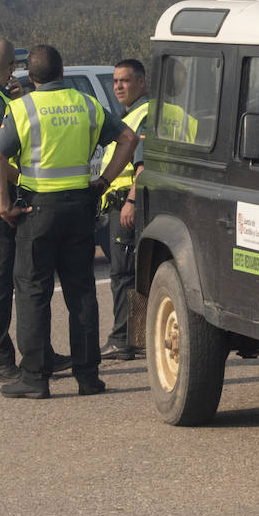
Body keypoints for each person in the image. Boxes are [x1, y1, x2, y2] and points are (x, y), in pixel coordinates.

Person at [0, 44, 138, 399]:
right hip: (80, 207)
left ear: (30, 77)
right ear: (62, 72)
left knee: (33, 292)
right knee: (81, 291)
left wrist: (4, 206)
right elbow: (128, 139)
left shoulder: (22, 107)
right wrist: (103, 181)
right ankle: (88, 376)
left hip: (37, 211)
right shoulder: (86, 104)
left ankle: (35, 378)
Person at [0, 37, 70, 382]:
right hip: (0, 197)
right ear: (10, 68)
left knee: (22, 278)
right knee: (6, 282)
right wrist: (25, 178)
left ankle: (38, 354)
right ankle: (2, 359)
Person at [99, 59, 149, 361]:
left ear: (141, 82)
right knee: (133, 273)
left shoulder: (142, 115)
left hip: (130, 206)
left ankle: (123, 339)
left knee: (124, 274)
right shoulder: (132, 113)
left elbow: (143, 166)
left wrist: (130, 201)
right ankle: (139, 338)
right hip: (127, 204)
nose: (118, 86)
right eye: (116, 81)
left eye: (125, 81)